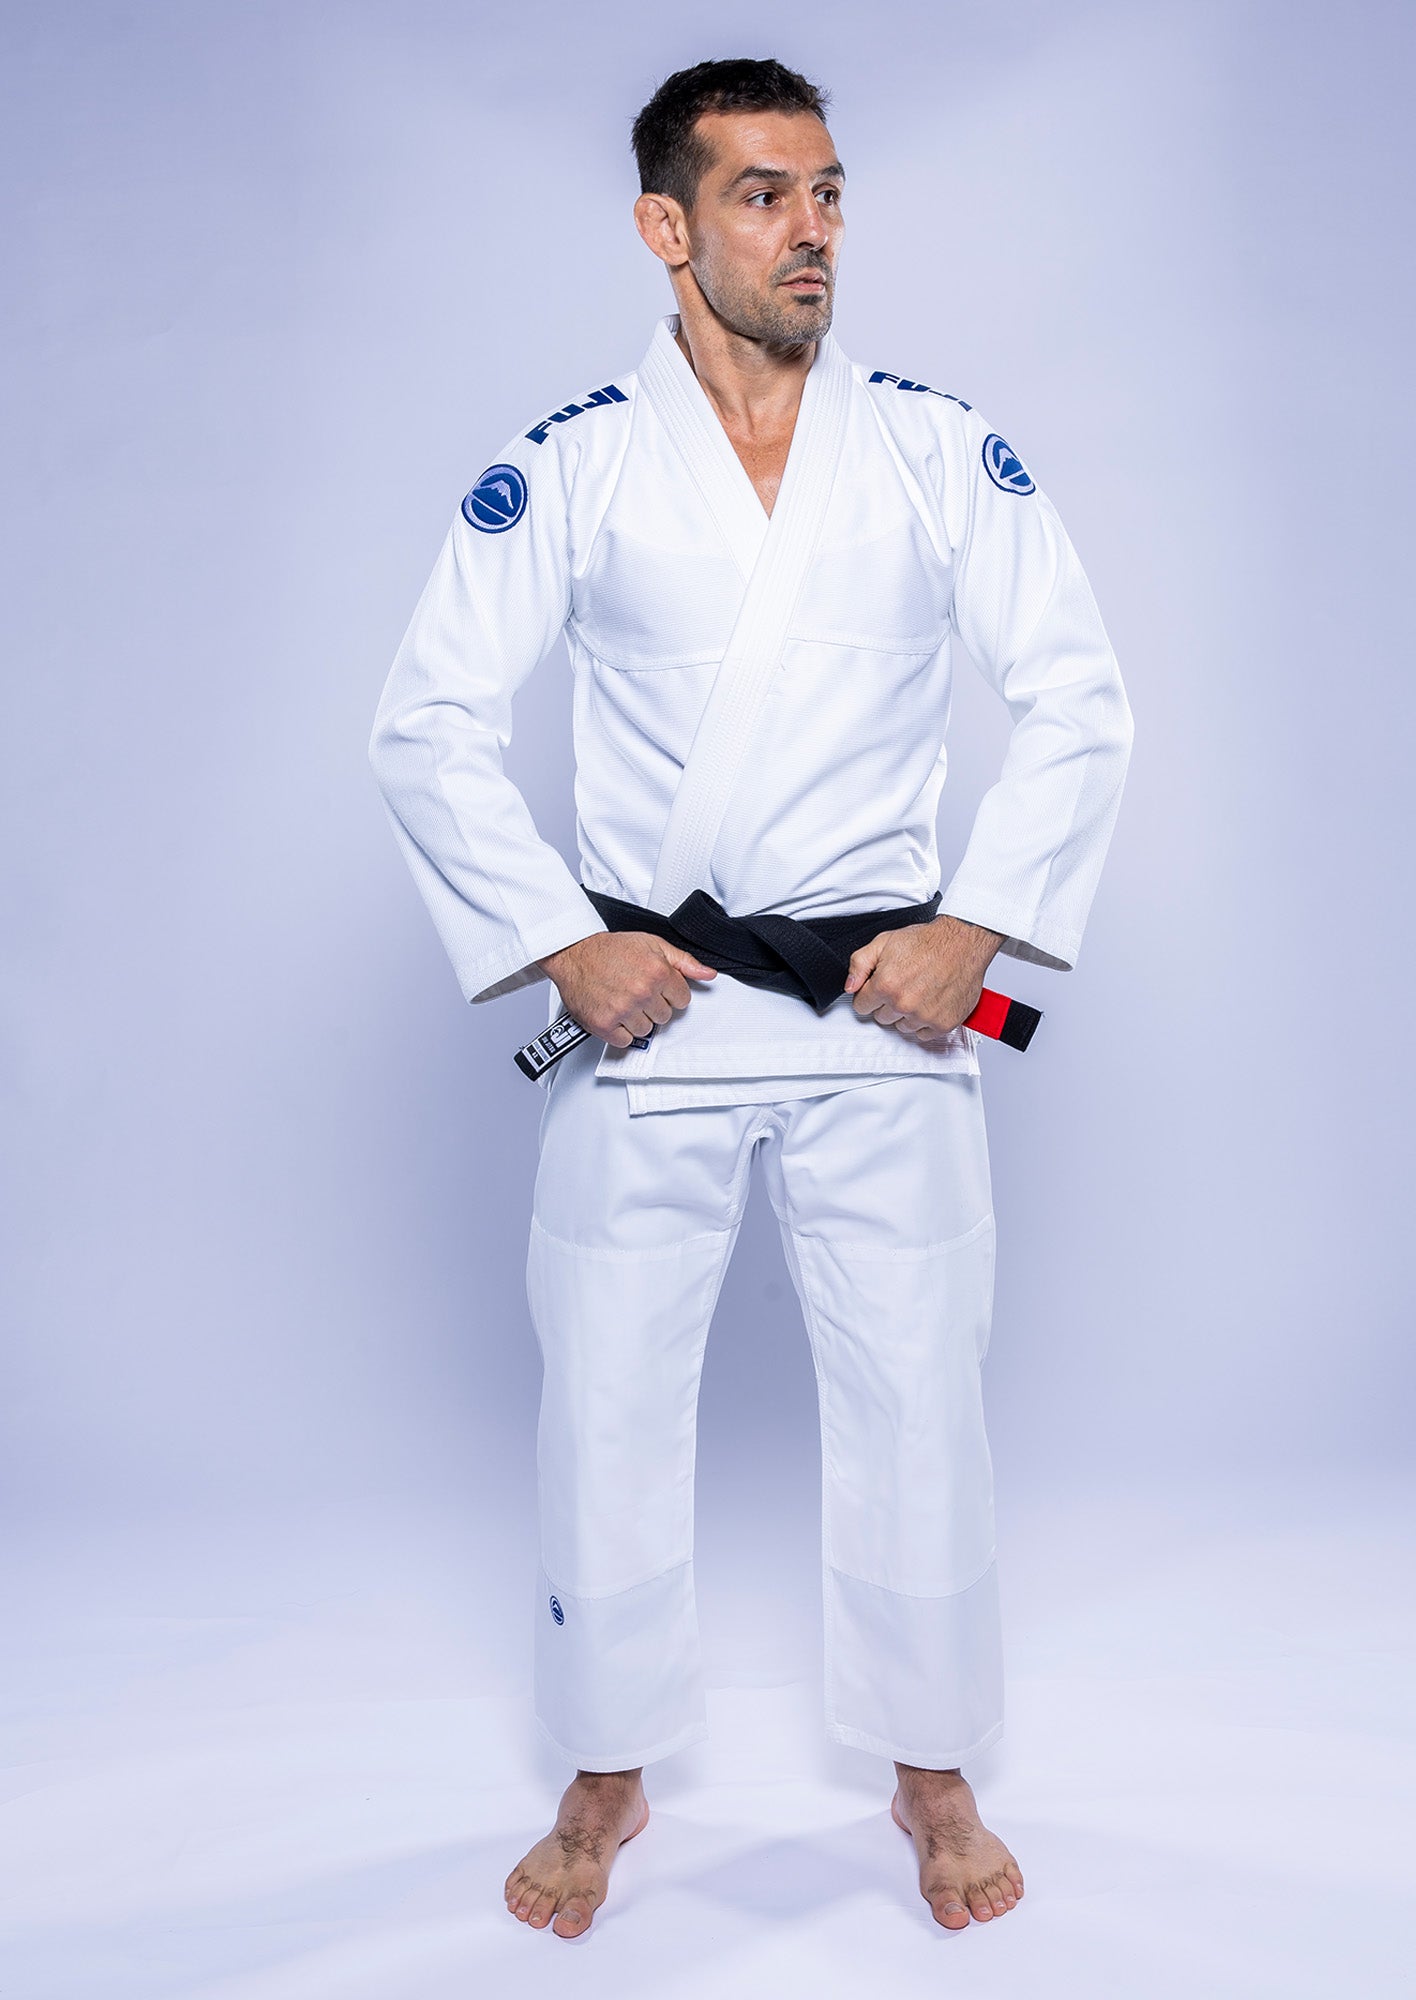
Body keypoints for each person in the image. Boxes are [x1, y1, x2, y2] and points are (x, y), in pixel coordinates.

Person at [368, 55, 1133, 1939]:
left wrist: (986, 921)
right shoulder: (570, 458)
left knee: (918, 1391)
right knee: (609, 1395)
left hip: (883, 1001)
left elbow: (1082, 697)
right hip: (661, 1000)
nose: (813, 233)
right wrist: (567, 945)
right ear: (668, 224)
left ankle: (934, 1768)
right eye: (768, 196)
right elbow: (426, 722)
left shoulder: (941, 445)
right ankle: (608, 1766)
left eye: (831, 195)